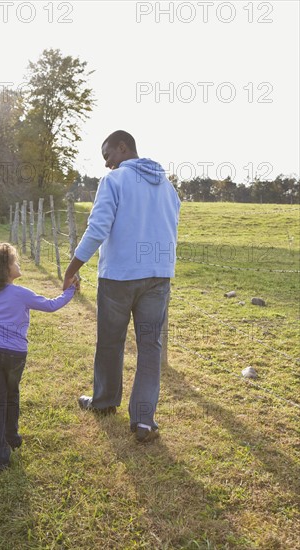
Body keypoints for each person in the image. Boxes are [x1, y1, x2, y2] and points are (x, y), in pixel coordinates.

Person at [63, 130, 180, 442]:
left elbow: (98, 227)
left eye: (108, 156)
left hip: (118, 277)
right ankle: (144, 421)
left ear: (122, 147)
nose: (107, 164)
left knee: (111, 342)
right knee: (150, 347)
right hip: (158, 276)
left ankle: (103, 402)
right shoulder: (168, 186)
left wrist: (72, 269)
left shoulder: (114, 182)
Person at [0, 242, 78, 470]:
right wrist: (71, 291)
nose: (18, 264)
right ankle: (12, 437)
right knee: (11, 394)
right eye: (14, 262)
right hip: (16, 355)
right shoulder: (21, 293)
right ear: (5, 270)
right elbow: (50, 305)